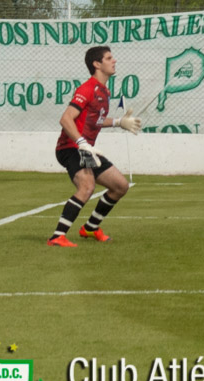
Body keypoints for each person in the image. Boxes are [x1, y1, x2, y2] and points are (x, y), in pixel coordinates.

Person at [47, 46, 142, 247]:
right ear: (97, 64)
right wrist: (81, 142)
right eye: (109, 58)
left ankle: (90, 228)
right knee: (87, 187)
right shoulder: (87, 89)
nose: (114, 61)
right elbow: (66, 119)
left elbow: (94, 120)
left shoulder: (104, 91)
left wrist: (118, 122)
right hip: (70, 148)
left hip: (86, 149)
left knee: (120, 186)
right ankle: (57, 237)